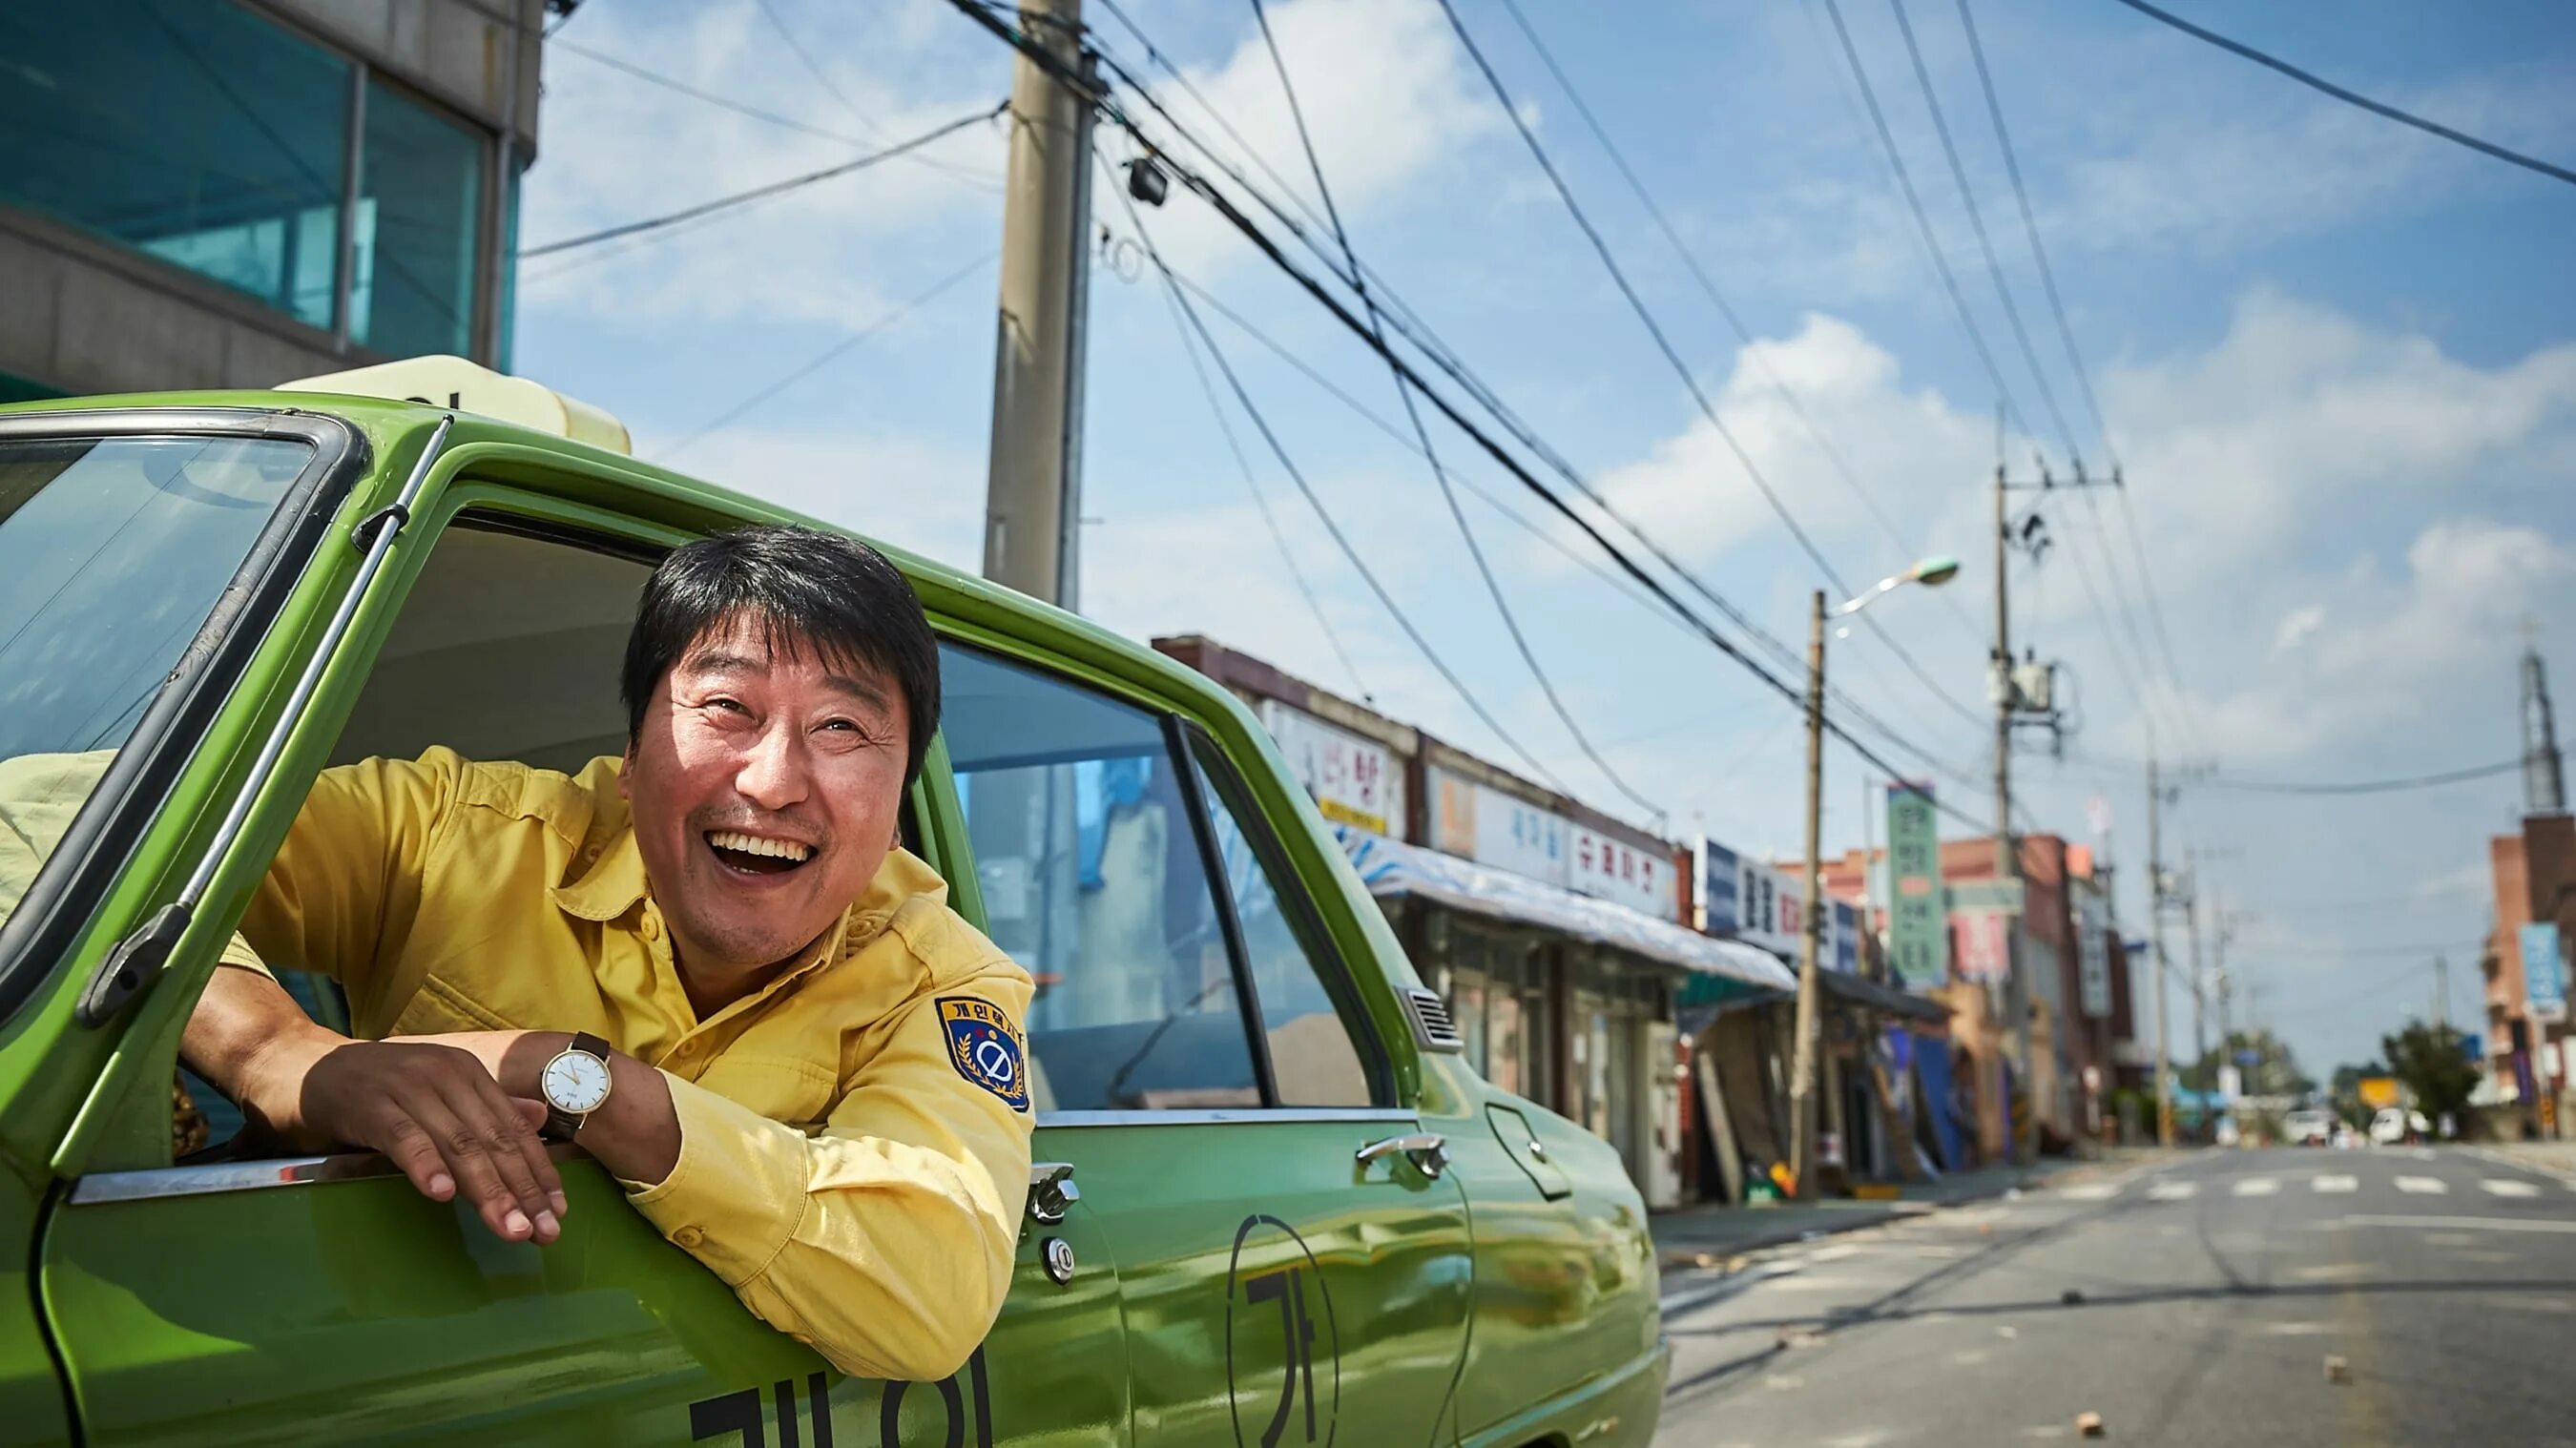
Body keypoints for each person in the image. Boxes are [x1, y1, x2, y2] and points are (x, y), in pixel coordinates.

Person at [15, 526, 1033, 1383]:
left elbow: (928, 1292)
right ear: (630, 759)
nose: (771, 782)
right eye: (727, 710)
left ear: (897, 804)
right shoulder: (458, 832)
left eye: (843, 728)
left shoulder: (947, 978)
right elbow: (37, 816)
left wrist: (579, 1080)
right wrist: (282, 1054)